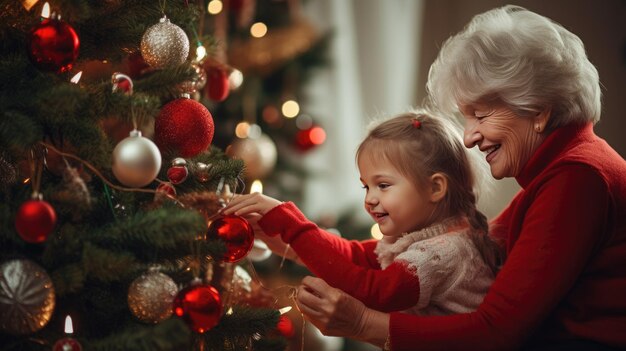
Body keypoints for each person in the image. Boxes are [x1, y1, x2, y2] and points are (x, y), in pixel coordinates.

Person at [290, 5, 626, 351]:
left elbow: (495, 332)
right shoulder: (566, 169)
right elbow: (413, 253)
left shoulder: (576, 180)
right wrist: (294, 240)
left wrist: (363, 323)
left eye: (480, 115)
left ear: (539, 112)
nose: (468, 138)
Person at [222, 111, 503, 317]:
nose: (369, 199)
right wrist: (292, 244)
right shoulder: (423, 238)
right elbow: (356, 255)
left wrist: (291, 223)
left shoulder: (442, 254)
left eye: (383, 185)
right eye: (366, 186)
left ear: (435, 187)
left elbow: (372, 291)